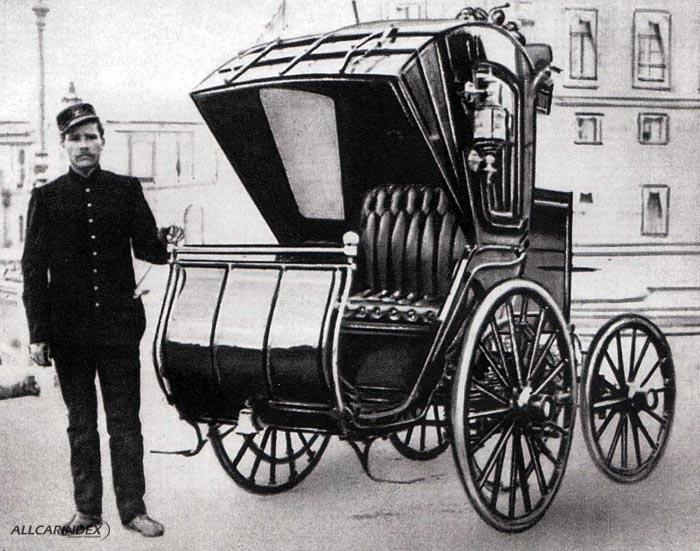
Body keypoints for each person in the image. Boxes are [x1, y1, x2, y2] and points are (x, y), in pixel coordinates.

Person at [21, 103, 184, 537]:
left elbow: (149, 250)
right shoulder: (46, 198)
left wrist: (166, 239)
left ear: (102, 142)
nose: (84, 146)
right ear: (63, 145)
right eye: (75, 139)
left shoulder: (125, 189)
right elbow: (33, 270)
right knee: (81, 424)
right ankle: (87, 510)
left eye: (90, 137)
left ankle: (134, 510)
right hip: (69, 334)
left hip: (118, 330)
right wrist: (38, 333)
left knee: (125, 423)